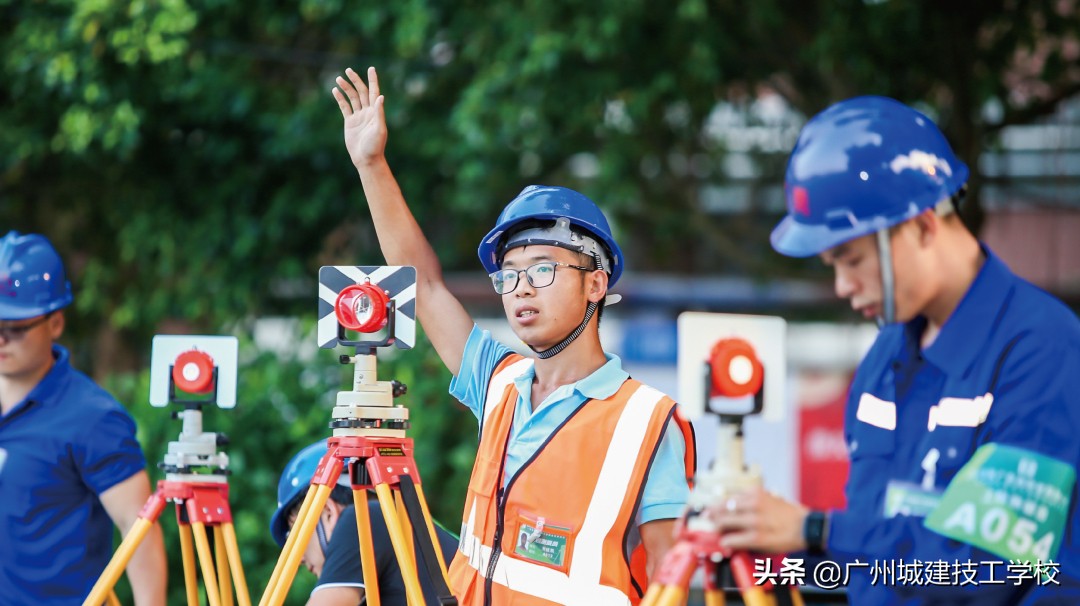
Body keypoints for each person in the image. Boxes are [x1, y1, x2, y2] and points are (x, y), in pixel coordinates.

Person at [331, 66, 697, 605]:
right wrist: (371, 164)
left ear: (596, 283)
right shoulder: (499, 382)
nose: (522, 288)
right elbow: (425, 285)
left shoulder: (647, 421)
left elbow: (671, 579)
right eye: (510, 274)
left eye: (544, 269)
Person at [709, 96, 1080, 603]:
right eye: (830, 264)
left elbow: (990, 570)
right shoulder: (885, 359)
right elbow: (874, 556)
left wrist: (816, 531)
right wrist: (778, 554)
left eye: (852, 258)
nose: (842, 285)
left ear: (923, 225)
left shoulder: (1041, 350)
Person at [0, 231, 166, 604]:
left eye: (14, 327)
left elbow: (138, 530)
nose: (0, 339)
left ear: (55, 323)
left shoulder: (93, 418)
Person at [270, 440, 459, 606]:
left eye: (293, 536)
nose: (298, 558)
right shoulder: (401, 529)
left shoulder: (363, 519)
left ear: (328, 511)